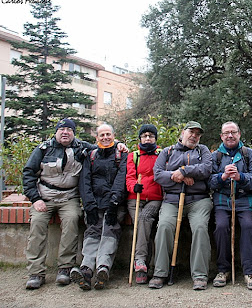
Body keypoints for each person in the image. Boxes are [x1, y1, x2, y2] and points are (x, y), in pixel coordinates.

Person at [23, 118, 127, 290]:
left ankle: (67, 268)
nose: (65, 132)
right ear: (56, 132)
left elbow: (105, 147)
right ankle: (36, 272)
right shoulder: (43, 149)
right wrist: (35, 199)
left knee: (72, 220)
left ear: (73, 133)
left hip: (69, 198)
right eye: (61, 129)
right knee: (37, 224)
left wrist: (119, 144)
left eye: (69, 130)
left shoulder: (83, 148)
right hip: (44, 197)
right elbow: (28, 173)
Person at [149, 121, 212, 290]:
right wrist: (176, 176)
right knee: (163, 226)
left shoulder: (203, 150)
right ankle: (160, 272)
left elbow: (206, 169)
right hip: (172, 200)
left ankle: (200, 275)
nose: (194, 136)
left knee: (200, 227)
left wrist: (185, 171)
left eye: (198, 134)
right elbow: (158, 174)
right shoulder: (167, 152)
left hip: (199, 200)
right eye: (191, 132)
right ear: (183, 132)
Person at [70, 124, 127, 290]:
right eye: (101, 135)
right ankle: (86, 269)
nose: (105, 137)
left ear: (114, 136)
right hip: (94, 204)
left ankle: (103, 267)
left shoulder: (121, 154)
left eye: (108, 134)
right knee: (92, 232)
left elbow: (121, 179)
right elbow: (85, 180)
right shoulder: (91, 155)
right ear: (97, 138)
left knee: (110, 231)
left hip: (114, 204)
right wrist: (89, 205)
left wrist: (114, 203)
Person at [209, 121, 252, 290]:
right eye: (226, 133)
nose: (230, 135)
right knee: (221, 226)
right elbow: (208, 181)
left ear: (239, 134)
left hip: (243, 200)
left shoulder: (249, 154)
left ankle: (250, 272)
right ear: (221, 136)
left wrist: (240, 177)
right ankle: (223, 270)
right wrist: (222, 176)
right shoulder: (215, 156)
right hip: (221, 200)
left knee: (247, 226)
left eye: (233, 132)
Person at [125, 124, 163, 284]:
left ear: (155, 138)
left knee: (144, 220)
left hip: (154, 199)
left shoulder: (162, 154)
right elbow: (129, 176)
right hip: (135, 199)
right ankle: (148, 267)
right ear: (140, 138)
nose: (148, 138)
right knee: (143, 226)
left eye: (151, 136)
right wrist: (133, 186)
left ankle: (140, 262)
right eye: (145, 135)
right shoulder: (133, 156)